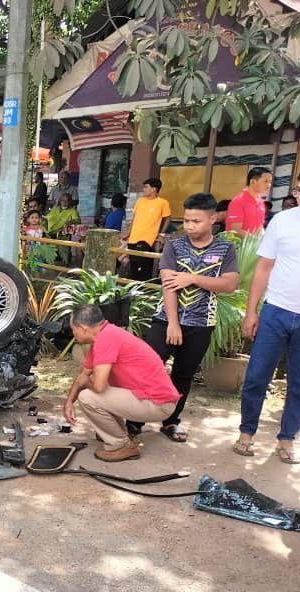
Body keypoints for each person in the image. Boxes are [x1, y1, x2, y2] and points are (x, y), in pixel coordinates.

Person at [125, 193, 239, 443]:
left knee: (183, 375)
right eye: (186, 220)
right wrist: (173, 324)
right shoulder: (175, 246)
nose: (189, 226)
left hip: (201, 324)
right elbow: (168, 285)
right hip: (166, 320)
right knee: (149, 368)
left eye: (196, 221)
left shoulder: (225, 249)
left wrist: (193, 278)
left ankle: (171, 421)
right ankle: (134, 421)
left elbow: (230, 284)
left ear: (212, 219)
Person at [233, 162, 300, 465]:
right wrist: (251, 311)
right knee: (257, 375)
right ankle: (246, 433)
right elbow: (264, 267)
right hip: (275, 312)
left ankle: (286, 439)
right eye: (299, 190)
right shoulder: (283, 220)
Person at [63, 303, 180, 462]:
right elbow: (82, 377)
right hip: (151, 399)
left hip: (158, 404)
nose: (72, 333)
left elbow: (98, 386)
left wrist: (86, 383)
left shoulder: (106, 339)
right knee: (90, 394)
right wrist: (69, 402)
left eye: (73, 329)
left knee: (87, 397)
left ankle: (121, 445)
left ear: (83, 328)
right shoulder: (103, 336)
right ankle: (119, 437)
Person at [124, 178, 171, 280]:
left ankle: (143, 290)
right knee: (133, 266)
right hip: (133, 238)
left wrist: (161, 234)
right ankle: (133, 290)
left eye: (146, 187)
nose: (143, 189)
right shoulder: (140, 201)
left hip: (147, 240)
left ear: (154, 189)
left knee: (144, 267)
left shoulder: (162, 202)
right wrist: (128, 233)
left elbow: (167, 219)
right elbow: (134, 218)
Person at [226, 166, 273, 234]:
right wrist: (255, 241)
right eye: (265, 181)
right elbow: (235, 230)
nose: (268, 185)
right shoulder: (238, 201)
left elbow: (260, 227)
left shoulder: (261, 202)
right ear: (253, 181)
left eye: (270, 182)